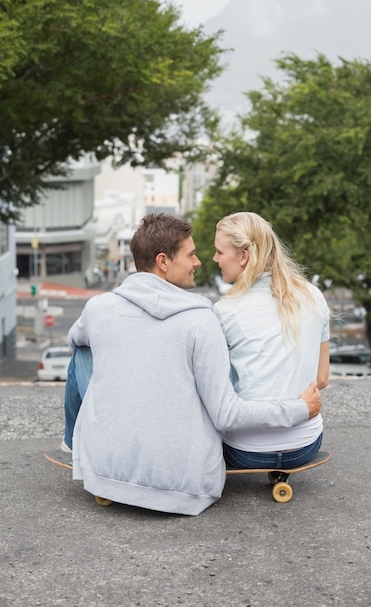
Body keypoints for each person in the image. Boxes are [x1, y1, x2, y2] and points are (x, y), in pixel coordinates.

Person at [63, 213, 322, 516]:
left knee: (82, 353)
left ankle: (75, 445)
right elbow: (225, 413)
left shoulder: (99, 307)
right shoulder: (202, 319)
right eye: (190, 254)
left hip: (103, 477)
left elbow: (74, 339)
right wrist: (299, 408)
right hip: (186, 490)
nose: (200, 261)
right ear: (163, 261)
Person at [213, 212, 330, 470]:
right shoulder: (314, 296)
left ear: (243, 256)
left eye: (220, 252)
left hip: (245, 451)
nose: (215, 259)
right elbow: (321, 379)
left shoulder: (224, 310)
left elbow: (219, 392)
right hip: (305, 445)